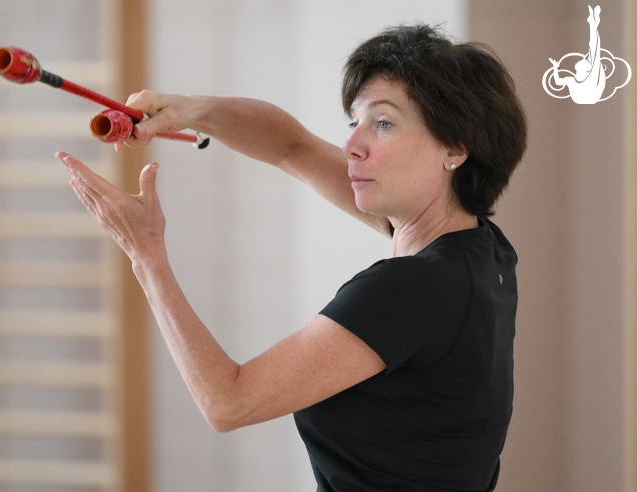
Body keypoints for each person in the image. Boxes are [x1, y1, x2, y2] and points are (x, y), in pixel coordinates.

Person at [56, 23, 527, 492]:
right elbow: (290, 146)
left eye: (382, 123)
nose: (352, 145)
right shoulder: (483, 251)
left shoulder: (410, 289)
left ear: (455, 148)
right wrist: (189, 110)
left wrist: (146, 255)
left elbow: (228, 401)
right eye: (355, 122)